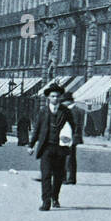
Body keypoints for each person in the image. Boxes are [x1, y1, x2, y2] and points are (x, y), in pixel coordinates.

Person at [28, 83, 76, 211]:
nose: (55, 99)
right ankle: (46, 201)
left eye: (57, 96)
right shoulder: (43, 111)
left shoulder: (66, 112)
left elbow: (73, 127)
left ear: (60, 98)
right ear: (48, 97)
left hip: (60, 148)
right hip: (46, 147)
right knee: (46, 175)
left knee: (59, 175)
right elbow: (37, 129)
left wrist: (69, 140)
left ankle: (55, 197)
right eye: (52, 96)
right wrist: (31, 145)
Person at [63, 90, 82, 185]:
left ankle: (69, 178)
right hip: (68, 137)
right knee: (69, 158)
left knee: (69, 158)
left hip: (70, 137)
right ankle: (69, 178)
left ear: (68, 101)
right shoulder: (73, 110)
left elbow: (75, 125)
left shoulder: (74, 111)